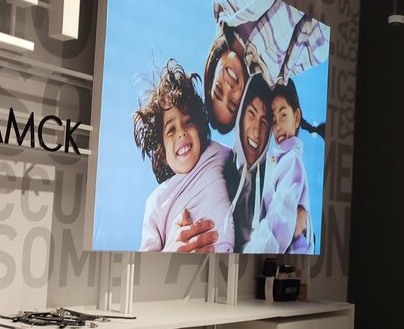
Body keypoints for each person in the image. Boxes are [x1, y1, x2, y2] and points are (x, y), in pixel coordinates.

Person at [204, 0, 329, 133]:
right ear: (243, 103)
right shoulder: (280, 69)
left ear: (212, 73)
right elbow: (321, 40)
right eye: (233, 103)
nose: (228, 87)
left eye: (219, 90)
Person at [133, 60, 233, 253]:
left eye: (188, 122)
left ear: (201, 131)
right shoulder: (157, 201)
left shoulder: (218, 153)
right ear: (162, 154)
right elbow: (145, 261)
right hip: (180, 269)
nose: (181, 132)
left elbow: (252, 167)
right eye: (171, 130)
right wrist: (168, 253)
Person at [245, 80, 324, 254]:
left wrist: (249, 252)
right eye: (273, 120)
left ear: (296, 118)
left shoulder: (291, 161)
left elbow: (279, 224)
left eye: (283, 115)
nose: (278, 127)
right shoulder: (280, 161)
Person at [223, 73, 273, 251]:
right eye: (251, 114)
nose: (256, 131)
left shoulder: (274, 180)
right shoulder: (219, 163)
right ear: (240, 116)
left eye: (264, 122)